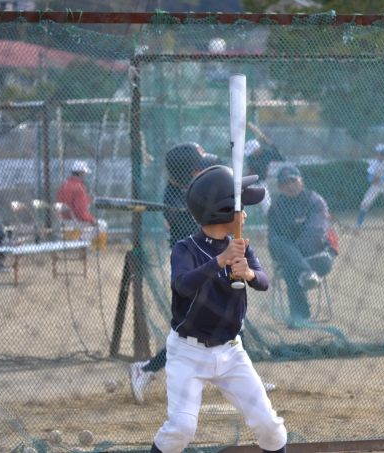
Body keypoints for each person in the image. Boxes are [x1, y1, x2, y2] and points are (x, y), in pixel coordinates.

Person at [147, 165, 287, 453]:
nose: (245, 213)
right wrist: (220, 260)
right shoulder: (185, 249)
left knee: (270, 427)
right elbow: (182, 286)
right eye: (240, 207)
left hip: (231, 351)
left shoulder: (241, 247)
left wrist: (249, 273)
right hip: (188, 352)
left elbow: (263, 283)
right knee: (181, 428)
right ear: (222, 211)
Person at [130, 143, 275, 404]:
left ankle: (246, 379)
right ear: (185, 171)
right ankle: (146, 368)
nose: (202, 169)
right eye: (197, 166)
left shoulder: (192, 192)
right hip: (192, 266)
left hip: (216, 259)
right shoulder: (175, 197)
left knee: (231, 317)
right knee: (193, 329)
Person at [268, 165, 337, 324]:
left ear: (301, 181)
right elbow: (273, 239)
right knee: (277, 242)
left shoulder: (315, 201)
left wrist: (292, 254)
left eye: (293, 180)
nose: (290, 186)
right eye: (285, 183)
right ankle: (307, 274)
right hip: (297, 259)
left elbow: (315, 234)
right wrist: (292, 255)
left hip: (319, 254)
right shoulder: (276, 206)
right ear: (280, 187)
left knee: (290, 268)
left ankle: (299, 317)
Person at [56, 161, 107, 247]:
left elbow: (71, 203)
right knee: (102, 225)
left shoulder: (64, 185)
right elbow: (80, 212)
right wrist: (92, 220)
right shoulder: (79, 187)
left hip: (62, 219)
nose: (85, 175)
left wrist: (87, 200)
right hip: (73, 220)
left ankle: (77, 241)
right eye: (84, 173)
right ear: (80, 173)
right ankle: (79, 242)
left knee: (93, 225)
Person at [244, 139, 285, 216]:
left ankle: (272, 220)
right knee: (239, 203)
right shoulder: (250, 158)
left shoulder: (267, 153)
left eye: (252, 152)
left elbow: (282, 159)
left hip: (261, 184)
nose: (251, 154)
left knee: (267, 206)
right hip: (249, 183)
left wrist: (275, 150)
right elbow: (259, 167)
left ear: (258, 150)